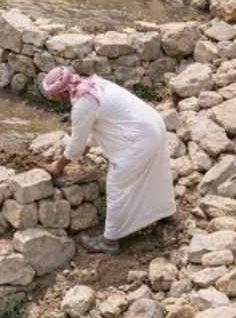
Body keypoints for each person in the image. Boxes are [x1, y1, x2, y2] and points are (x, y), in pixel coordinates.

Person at [42, 66, 176, 254]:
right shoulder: (95, 84)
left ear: (60, 93)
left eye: (54, 96)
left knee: (117, 187)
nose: (54, 100)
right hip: (153, 126)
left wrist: (58, 166)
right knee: (156, 174)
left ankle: (109, 240)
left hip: (140, 139)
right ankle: (165, 213)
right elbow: (104, 124)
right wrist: (86, 148)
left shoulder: (83, 104)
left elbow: (76, 144)